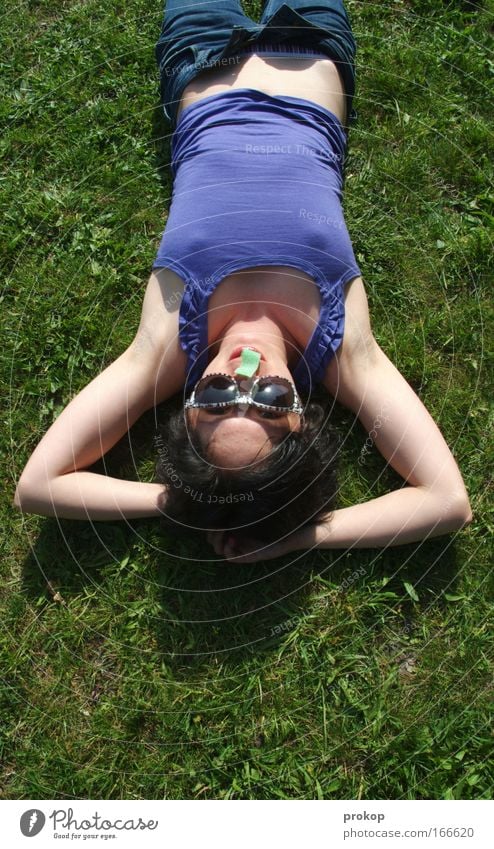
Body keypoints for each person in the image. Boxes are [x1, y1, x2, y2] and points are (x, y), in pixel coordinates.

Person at [13, 1, 472, 562]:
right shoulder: (342, 349)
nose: (242, 375)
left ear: (188, 411)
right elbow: (447, 501)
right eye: (271, 401)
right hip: (310, 50)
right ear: (299, 415)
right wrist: (302, 535)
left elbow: (37, 486)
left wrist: (181, 500)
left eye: (217, 396)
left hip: (204, 56)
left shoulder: (165, 351)